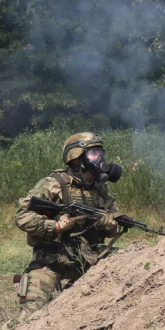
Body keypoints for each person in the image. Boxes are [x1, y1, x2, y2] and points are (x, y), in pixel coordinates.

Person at [13, 133, 126, 319]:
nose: (100, 159)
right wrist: (55, 226)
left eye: (101, 154)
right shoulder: (54, 184)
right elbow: (22, 216)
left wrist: (110, 227)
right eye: (93, 154)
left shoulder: (100, 189)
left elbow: (112, 217)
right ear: (76, 157)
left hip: (87, 262)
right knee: (29, 316)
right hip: (51, 262)